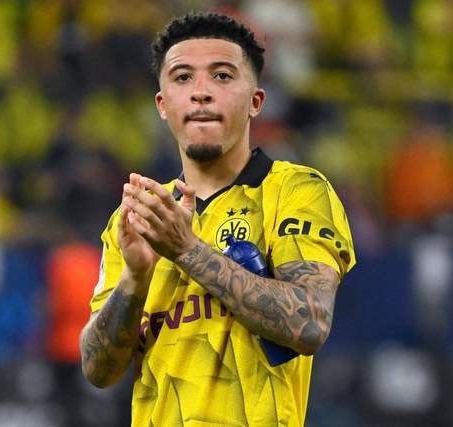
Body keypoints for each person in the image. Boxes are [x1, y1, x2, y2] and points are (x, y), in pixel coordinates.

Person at [79, 12, 356, 426]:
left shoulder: (296, 190)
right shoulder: (139, 216)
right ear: (162, 105)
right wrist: (134, 279)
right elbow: (97, 369)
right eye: (182, 77)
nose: (201, 92)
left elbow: (310, 323)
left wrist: (186, 249)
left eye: (222, 76)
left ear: (255, 101)